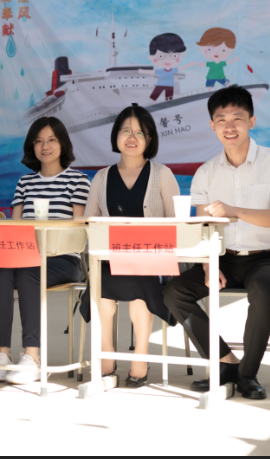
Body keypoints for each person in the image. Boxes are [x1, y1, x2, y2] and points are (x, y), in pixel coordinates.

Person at [164, 85, 270, 400]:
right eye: (221, 120)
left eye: (237, 118)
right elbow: (201, 228)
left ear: (251, 121)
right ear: (212, 125)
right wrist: (207, 266)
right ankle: (226, 362)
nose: (229, 126)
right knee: (173, 292)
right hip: (222, 257)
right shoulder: (205, 172)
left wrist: (233, 210)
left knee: (262, 287)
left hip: (269, 258)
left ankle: (247, 375)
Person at [80, 104, 180, 387]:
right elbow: (89, 223)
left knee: (140, 289)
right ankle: (106, 353)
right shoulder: (101, 177)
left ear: (150, 139)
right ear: (116, 136)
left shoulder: (162, 174)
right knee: (101, 287)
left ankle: (141, 355)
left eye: (140, 132)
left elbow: (177, 223)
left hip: (153, 260)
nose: (132, 137)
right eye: (126, 130)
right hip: (112, 259)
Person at [0, 117, 90, 385]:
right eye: (39, 141)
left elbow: (79, 231)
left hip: (65, 258)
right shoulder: (25, 182)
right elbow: (16, 227)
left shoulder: (78, 180)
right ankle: (2, 355)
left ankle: (32, 356)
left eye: (51, 140)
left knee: (28, 272)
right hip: (27, 255)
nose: (45, 146)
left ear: (63, 143)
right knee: (1, 273)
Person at [141, 33, 189, 102]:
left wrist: (190, 64)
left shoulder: (173, 70)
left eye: (174, 56)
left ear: (182, 55)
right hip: (160, 85)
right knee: (153, 97)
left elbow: (181, 68)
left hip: (170, 86)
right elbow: (153, 72)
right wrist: (143, 71)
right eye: (161, 56)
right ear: (151, 57)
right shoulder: (161, 70)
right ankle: (150, 103)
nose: (168, 59)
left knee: (169, 99)